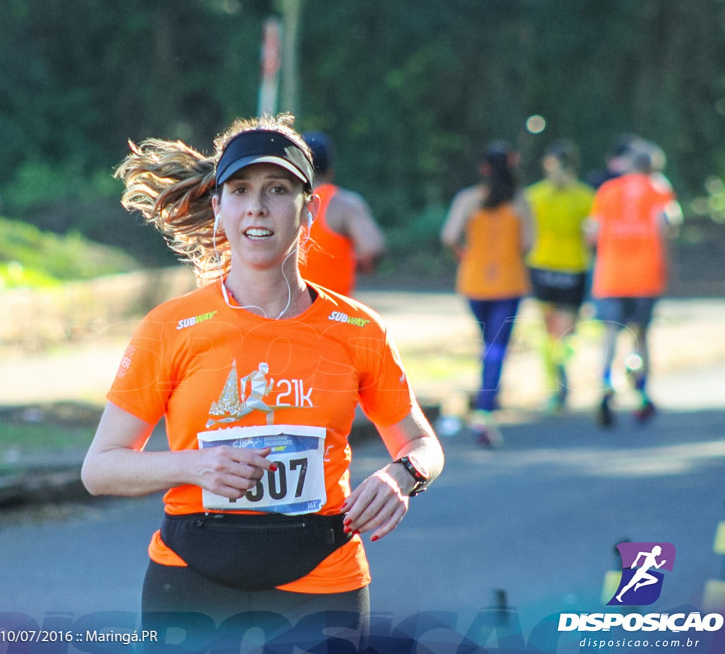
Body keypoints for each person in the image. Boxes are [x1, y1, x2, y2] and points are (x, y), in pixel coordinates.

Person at [81, 114, 444, 647]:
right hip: (191, 574)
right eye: (241, 190)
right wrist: (196, 465)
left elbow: (419, 442)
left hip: (322, 574)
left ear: (309, 211)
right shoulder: (172, 327)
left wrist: (402, 476)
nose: (257, 205)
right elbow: (100, 469)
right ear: (220, 211)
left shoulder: (358, 329)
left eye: (278, 189)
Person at [440, 141, 533, 447]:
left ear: (483, 168)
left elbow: (449, 236)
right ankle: (485, 411)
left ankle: (487, 398)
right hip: (508, 281)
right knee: (496, 346)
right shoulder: (520, 202)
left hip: (474, 282)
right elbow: (529, 243)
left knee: (488, 343)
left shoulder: (468, 199)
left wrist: (466, 256)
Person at [585, 147, 681, 427]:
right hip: (645, 273)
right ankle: (641, 392)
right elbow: (668, 224)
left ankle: (606, 385)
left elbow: (592, 230)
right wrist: (669, 265)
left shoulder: (608, 190)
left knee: (612, 331)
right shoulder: (658, 189)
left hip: (612, 273)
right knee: (640, 333)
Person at [525, 140, 596, 414]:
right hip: (549, 266)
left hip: (565, 267)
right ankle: (555, 383)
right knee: (552, 331)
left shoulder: (582, 196)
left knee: (562, 333)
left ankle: (559, 375)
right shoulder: (538, 196)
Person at [299, 131, 386, 297]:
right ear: (330, 169)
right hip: (333, 311)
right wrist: (357, 264)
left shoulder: (279, 203)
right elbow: (373, 248)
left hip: (286, 312)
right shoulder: (345, 205)